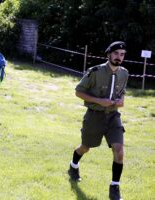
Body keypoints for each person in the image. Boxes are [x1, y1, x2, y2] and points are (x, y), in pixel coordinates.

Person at [67, 41, 129, 200]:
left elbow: (122, 92)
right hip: (95, 115)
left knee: (119, 150)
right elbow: (78, 92)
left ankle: (114, 187)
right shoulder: (94, 71)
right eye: (116, 53)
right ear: (109, 54)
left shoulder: (124, 73)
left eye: (122, 54)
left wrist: (121, 100)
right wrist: (99, 101)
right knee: (85, 147)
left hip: (114, 117)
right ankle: (73, 166)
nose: (119, 57)